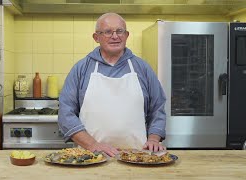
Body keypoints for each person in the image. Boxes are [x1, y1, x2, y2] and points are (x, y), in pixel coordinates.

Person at [58, 12, 166, 157]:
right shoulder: (81, 69)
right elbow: (66, 113)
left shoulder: (142, 68)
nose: (115, 36)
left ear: (127, 35)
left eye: (120, 31)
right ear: (96, 37)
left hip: (137, 157)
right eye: (108, 32)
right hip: (90, 158)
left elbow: (158, 107)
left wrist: (153, 138)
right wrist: (92, 145)